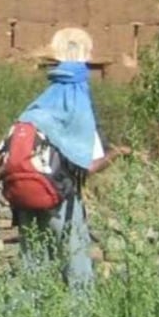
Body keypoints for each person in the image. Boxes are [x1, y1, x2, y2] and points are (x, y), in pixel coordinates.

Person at [9, 58, 128, 292]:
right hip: (61, 201)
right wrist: (117, 154)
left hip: (23, 201)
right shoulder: (76, 113)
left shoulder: (30, 115)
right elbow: (87, 167)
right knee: (78, 267)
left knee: (31, 266)